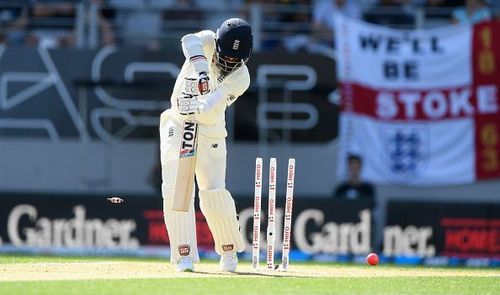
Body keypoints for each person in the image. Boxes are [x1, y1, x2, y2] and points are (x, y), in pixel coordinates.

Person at [159, 18, 252, 272]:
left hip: (210, 128)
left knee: (213, 191)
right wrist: (202, 72)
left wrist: (199, 105)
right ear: (218, 46)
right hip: (178, 123)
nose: (230, 63)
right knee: (175, 188)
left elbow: (212, 107)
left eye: (236, 60)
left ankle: (229, 251)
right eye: (227, 57)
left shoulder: (241, 77)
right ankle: (183, 255)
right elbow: (188, 41)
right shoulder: (209, 40)